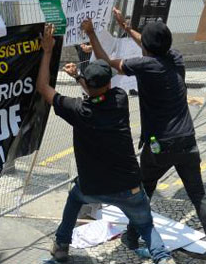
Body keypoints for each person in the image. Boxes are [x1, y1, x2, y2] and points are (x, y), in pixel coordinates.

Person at [82, 9, 206, 264]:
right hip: (187, 140)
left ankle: (130, 236)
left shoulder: (144, 65)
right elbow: (149, 43)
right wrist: (127, 28)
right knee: (199, 196)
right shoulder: (176, 58)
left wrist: (92, 32)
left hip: (159, 145)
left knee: (142, 191)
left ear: (147, 48)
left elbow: (107, 64)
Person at [36, 23, 174, 264]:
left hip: (93, 187)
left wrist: (48, 51)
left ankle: (61, 245)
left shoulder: (77, 110)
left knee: (74, 198)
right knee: (146, 225)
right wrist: (90, 37)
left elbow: (43, 88)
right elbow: (103, 75)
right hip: (129, 186)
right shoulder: (119, 99)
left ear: (86, 87)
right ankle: (162, 257)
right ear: (110, 84)